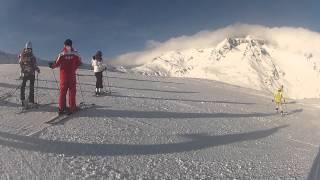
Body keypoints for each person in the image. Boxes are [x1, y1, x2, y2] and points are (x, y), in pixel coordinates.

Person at [49, 39, 82, 115]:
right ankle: (72, 107)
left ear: (64, 45)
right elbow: (79, 62)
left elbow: (56, 63)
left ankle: (61, 108)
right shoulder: (75, 53)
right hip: (72, 76)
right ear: (71, 45)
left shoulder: (61, 54)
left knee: (62, 92)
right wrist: (74, 68)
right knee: (72, 92)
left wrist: (52, 66)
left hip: (63, 76)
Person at [19, 41, 40, 106]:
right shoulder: (22, 55)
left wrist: (37, 69)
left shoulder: (33, 57)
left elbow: (34, 65)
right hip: (25, 74)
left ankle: (31, 101)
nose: (28, 50)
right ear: (25, 48)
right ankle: (23, 100)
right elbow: (20, 64)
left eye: (29, 49)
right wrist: (23, 71)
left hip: (32, 74)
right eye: (27, 49)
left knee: (31, 87)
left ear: (31, 49)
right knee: (22, 86)